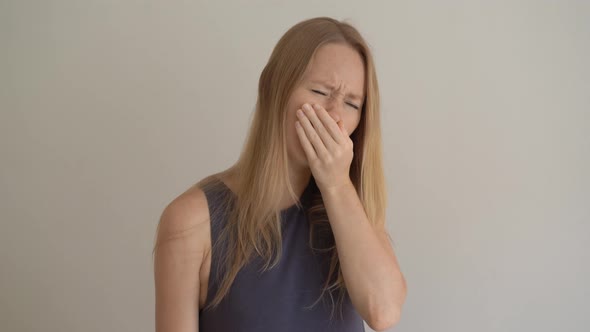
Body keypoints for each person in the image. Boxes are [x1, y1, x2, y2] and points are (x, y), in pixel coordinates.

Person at [152, 17, 407, 332]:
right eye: (319, 91)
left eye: (352, 104)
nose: (334, 117)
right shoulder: (191, 221)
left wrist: (337, 185)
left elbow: (383, 313)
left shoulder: (356, 214)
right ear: (274, 89)